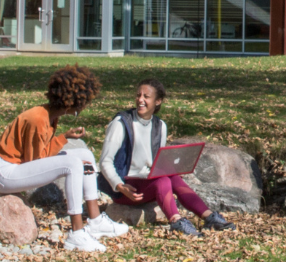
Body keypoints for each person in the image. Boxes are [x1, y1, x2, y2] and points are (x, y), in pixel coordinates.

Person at [0, 65, 130, 252]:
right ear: (74, 103)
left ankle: (95, 220)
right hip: (6, 172)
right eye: (84, 102)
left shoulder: (49, 115)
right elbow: (35, 161)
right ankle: (77, 232)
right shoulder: (39, 119)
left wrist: (65, 137)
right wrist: (63, 139)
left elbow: (41, 154)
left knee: (85, 156)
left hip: (18, 166)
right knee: (73, 164)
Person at [99, 79, 237, 237]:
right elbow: (105, 161)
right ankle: (176, 221)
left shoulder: (160, 126)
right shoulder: (121, 123)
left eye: (146, 96)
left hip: (147, 183)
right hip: (126, 188)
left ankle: (209, 216)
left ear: (158, 101)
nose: (140, 100)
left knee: (172, 176)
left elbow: (159, 162)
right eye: (138, 95)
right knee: (163, 180)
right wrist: (119, 186)